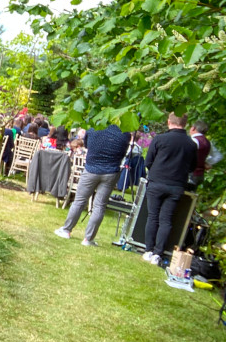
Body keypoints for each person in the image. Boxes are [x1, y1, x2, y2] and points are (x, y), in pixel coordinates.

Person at [54, 124, 130, 246]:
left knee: (79, 201)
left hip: (91, 170)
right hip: (110, 172)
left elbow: (87, 145)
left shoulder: (94, 128)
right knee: (99, 205)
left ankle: (66, 230)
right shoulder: (124, 133)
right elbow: (124, 153)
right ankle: (88, 239)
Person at [141, 112, 197, 264]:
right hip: (177, 185)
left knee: (153, 217)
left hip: (157, 182)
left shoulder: (160, 139)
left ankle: (148, 250)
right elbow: (192, 167)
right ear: (185, 124)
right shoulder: (191, 144)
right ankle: (158, 253)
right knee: (166, 220)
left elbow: (148, 161)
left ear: (168, 122)